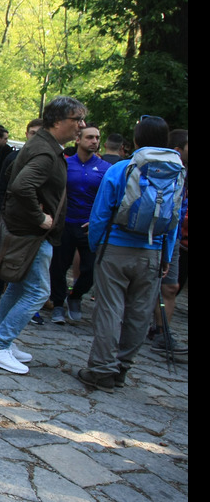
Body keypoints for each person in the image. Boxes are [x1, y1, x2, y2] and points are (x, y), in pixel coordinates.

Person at [0, 96, 85, 374]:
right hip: (33, 235)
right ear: (58, 121)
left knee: (18, 286)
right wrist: (40, 218)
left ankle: (2, 341)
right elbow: (21, 184)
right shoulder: (46, 152)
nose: (81, 126)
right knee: (39, 291)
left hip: (29, 233)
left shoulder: (43, 146)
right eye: (77, 120)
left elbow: (15, 177)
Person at [78, 115, 181, 391]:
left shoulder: (122, 169)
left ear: (135, 141)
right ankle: (121, 370)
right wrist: (166, 256)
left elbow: (101, 212)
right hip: (153, 253)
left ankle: (101, 370)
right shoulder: (177, 173)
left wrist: (96, 245)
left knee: (110, 309)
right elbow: (173, 221)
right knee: (139, 313)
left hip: (116, 248)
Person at [46, 123, 110, 324]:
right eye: (90, 137)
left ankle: (75, 296)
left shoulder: (105, 168)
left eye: (97, 138)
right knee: (58, 266)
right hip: (65, 223)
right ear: (78, 140)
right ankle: (58, 304)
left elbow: (109, 198)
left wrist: (99, 220)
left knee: (90, 268)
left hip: (90, 226)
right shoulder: (65, 164)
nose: (94, 141)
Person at [0, 118, 42, 314]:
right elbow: (1, 187)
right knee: (0, 260)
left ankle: (31, 306)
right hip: (10, 219)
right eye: (33, 133)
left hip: (35, 224)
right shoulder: (14, 158)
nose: (35, 137)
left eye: (39, 133)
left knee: (31, 264)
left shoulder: (49, 160)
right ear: (27, 134)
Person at [148, 128, 188, 359]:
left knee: (170, 287)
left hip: (173, 239)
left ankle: (162, 332)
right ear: (177, 150)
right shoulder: (162, 170)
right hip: (155, 237)